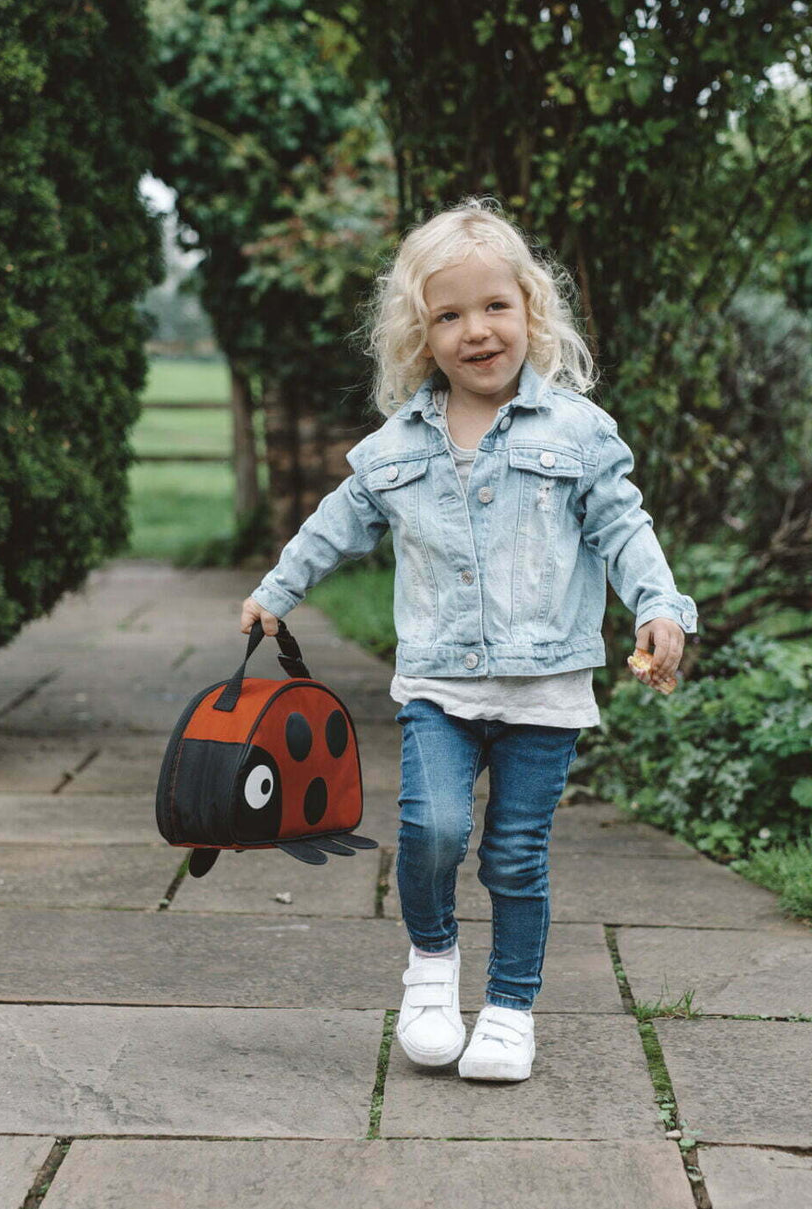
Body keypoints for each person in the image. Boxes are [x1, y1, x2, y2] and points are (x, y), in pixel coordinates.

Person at [239, 197, 698, 1082]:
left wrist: (659, 604)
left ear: (531, 310)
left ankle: (511, 1009)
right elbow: (337, 523)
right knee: (433, 830)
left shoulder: (578, 432)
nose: (476, 332)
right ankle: (432, 965)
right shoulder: (395, 446)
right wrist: (276, 591)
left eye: (495, 308)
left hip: (545, 686)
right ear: (421, 336)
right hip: (441, 684)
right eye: (449, 316)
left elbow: (624, 527)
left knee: (516, 854)